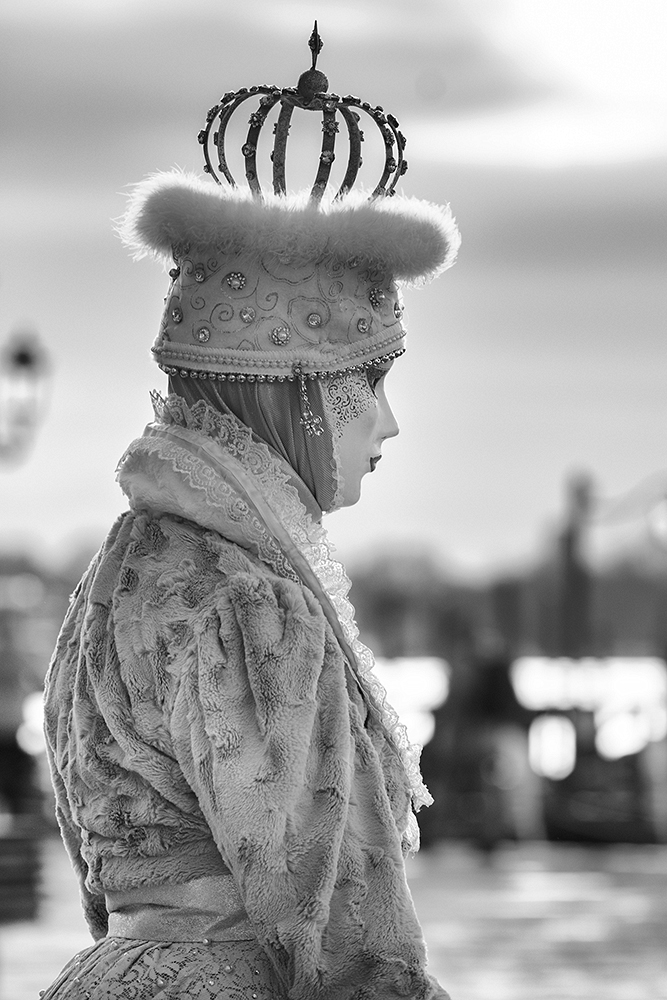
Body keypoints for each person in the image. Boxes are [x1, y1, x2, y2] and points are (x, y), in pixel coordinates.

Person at [41, 28, 460, 1000]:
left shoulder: (128, 562)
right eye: (372, 384)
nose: (387, 426)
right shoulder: (250, 594)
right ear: (300, 393)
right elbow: (342, 922)